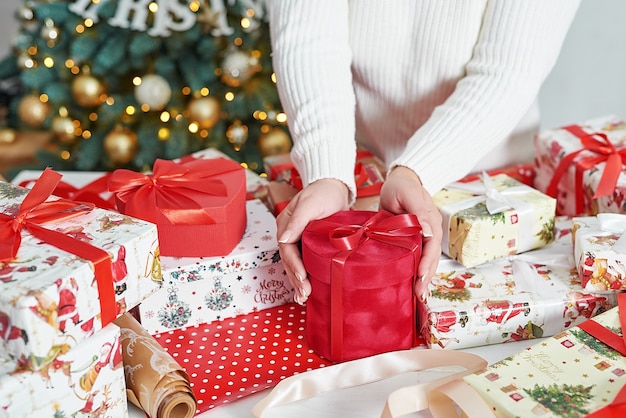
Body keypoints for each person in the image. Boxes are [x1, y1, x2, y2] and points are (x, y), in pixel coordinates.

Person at [267, 1, 580, 305]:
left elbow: (508, 70)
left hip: (490, 186)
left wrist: (416, 171)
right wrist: (328, 172)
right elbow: (309, 41)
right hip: (363, 169)